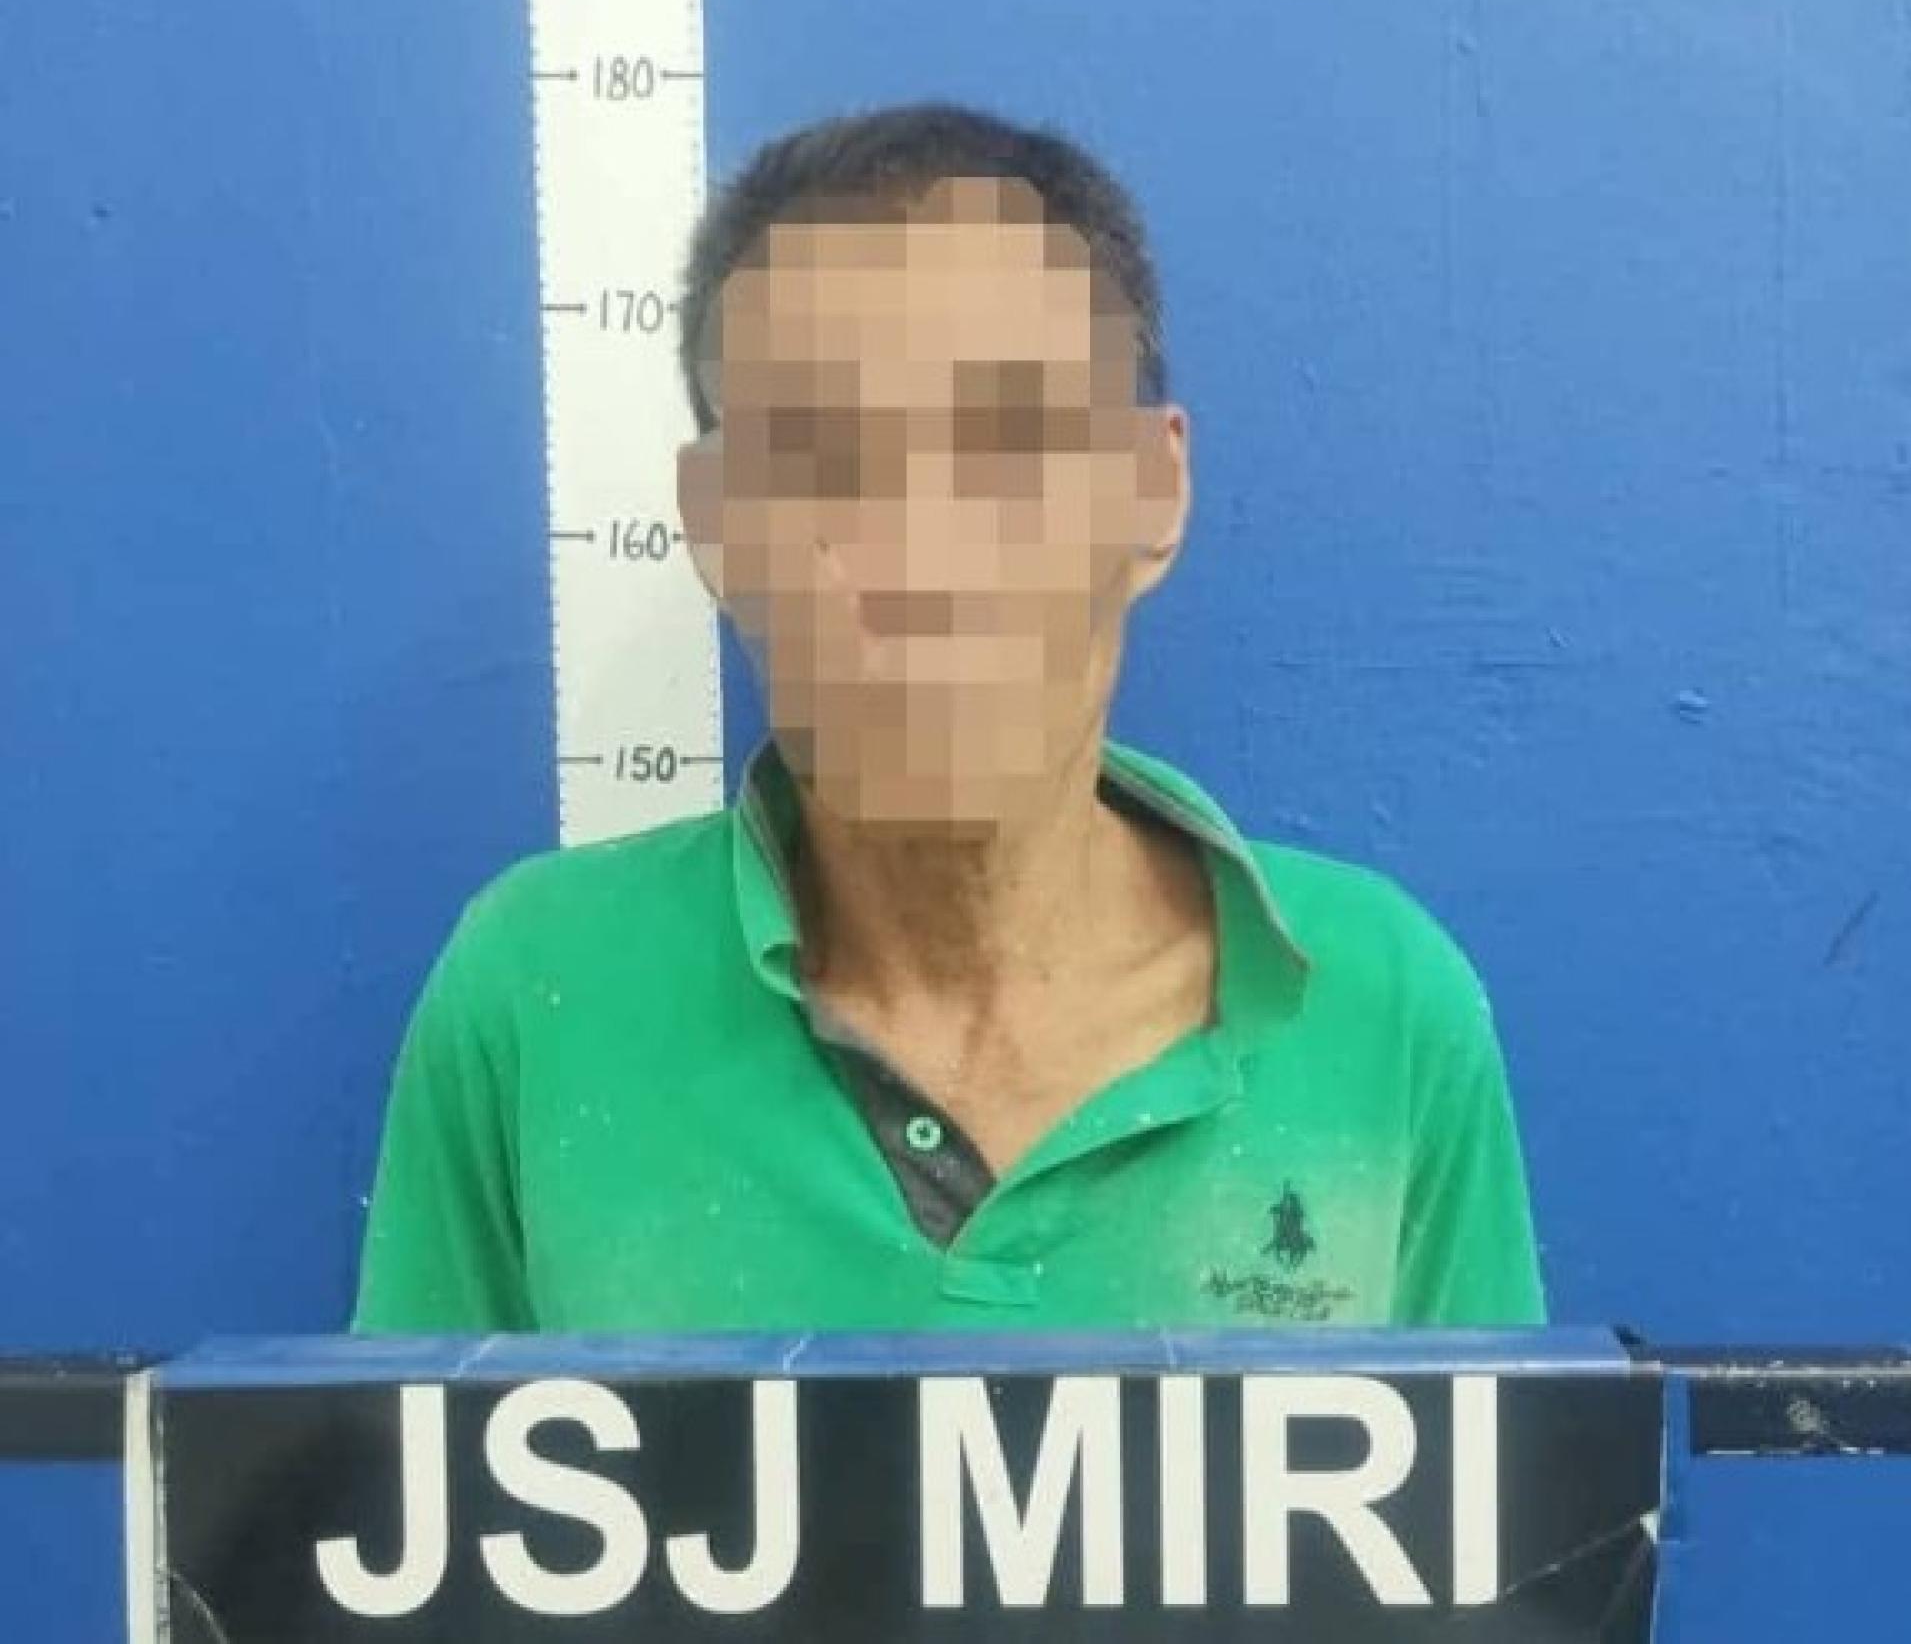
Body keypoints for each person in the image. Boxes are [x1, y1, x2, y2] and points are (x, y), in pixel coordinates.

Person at [351, 100, 1546, 1334]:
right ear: (712, 524)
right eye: (820, 458)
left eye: (1013, 439)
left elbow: (1491, 1467)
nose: (924, 559)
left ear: (1153, 488)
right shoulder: (534, 992)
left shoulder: (1382, 1008)